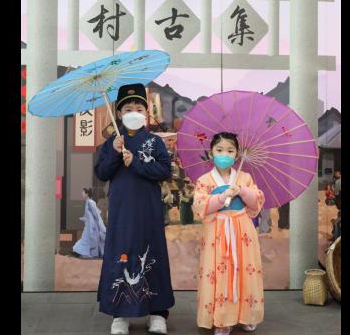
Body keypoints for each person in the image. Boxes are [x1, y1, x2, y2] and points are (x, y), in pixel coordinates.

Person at [94, 83, 174, 335]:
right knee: (121, 254)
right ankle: (120, 315)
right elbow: (101, 173)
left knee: (153, 254)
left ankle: (158, 313)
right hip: (122, 211)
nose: (134, 113)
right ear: (118, 113)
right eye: (128, 109)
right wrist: (115, 153)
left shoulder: (154, 141)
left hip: (149, 210)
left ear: (146, 112)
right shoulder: (112, 143)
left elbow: (164, 171)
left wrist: (136, 162)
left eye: (139, 108)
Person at [192, 132, 265, 335]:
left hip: (242, 230)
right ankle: (222, 319)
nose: (224, 154)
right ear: (211, 153)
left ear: (237, 154)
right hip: (217, 231)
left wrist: (242, 191)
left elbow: (257, 202)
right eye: (219, 150)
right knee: (219, 272)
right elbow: (200, 206)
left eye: (230, 150)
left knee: (245, 270)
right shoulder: (204, 180)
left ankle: (247, 315)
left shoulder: (245, 178)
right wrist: (223, 196)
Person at [72, 188, 106, 258]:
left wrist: (99, 225)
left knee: (89, 239)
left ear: (87, 194)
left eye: (83, 192)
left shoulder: (90, 202)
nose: (82, 194)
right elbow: (89, 215)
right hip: (89, 225)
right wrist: (84, 219)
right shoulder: (88, 202)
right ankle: (81, 251)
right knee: (86, 239)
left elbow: (96, 214)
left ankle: (84, 252)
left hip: (92, 225)